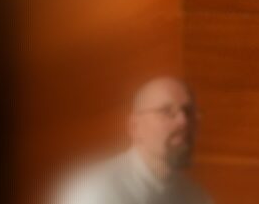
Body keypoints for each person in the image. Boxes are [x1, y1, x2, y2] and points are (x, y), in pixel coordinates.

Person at [53, 77, 212, 204]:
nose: (184, 122)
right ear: (135, 127)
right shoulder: (93, 190)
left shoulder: (197, 197)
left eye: (189, 112)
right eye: (166, 111)